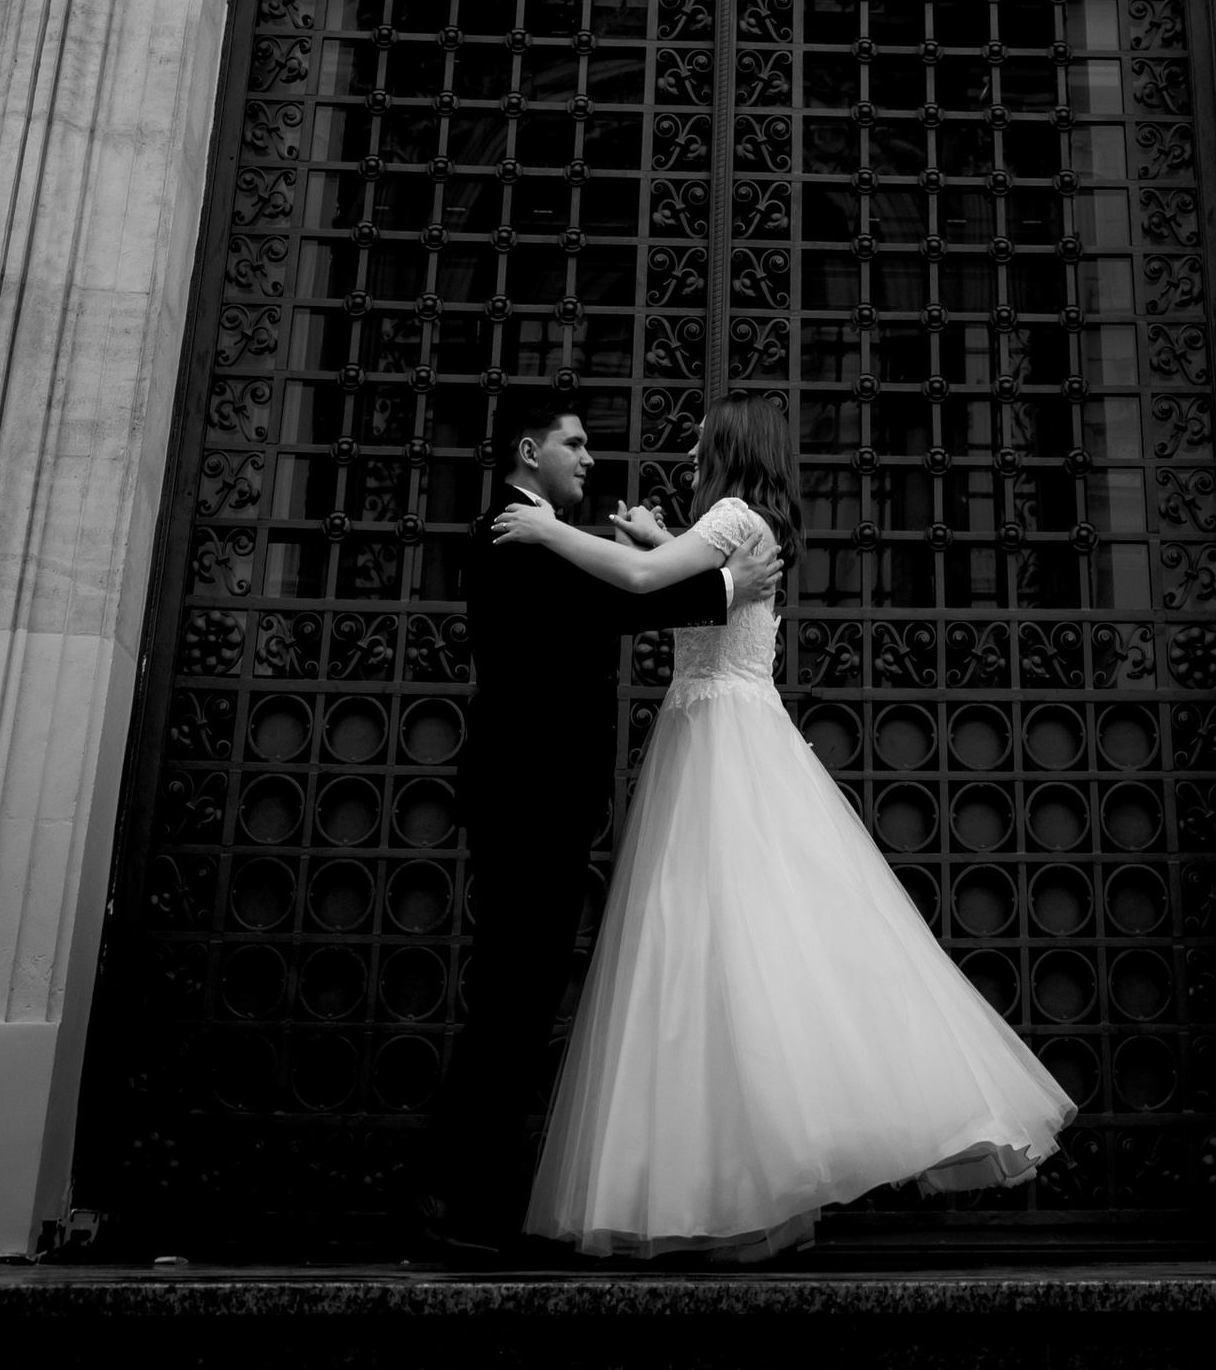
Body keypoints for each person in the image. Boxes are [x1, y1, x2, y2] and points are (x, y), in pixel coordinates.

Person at [493, 393, 1074, 1259]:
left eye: (699, 447)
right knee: (721, 950)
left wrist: (547, 534)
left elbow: (650, 585)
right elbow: (682, 579)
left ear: (730, 450)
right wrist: (654, 538)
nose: (689, 461)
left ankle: (730, 1177)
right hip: (715, 737)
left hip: (721, 750)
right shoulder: (746, 526)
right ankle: (736, 1174)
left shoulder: (731, 516)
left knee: (721, 944)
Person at [420, 385, 738, 1254]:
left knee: (518, 996)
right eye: (576, 444)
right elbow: (618, 605)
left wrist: (648, 545)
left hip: (542, 801)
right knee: (512, 998)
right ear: (530, 452)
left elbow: (605, 587)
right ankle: (460, 1204)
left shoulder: (539, 535)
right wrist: (725, 585)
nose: (590, 458)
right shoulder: (509, 534)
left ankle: (471, 1198)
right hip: (528, 800)